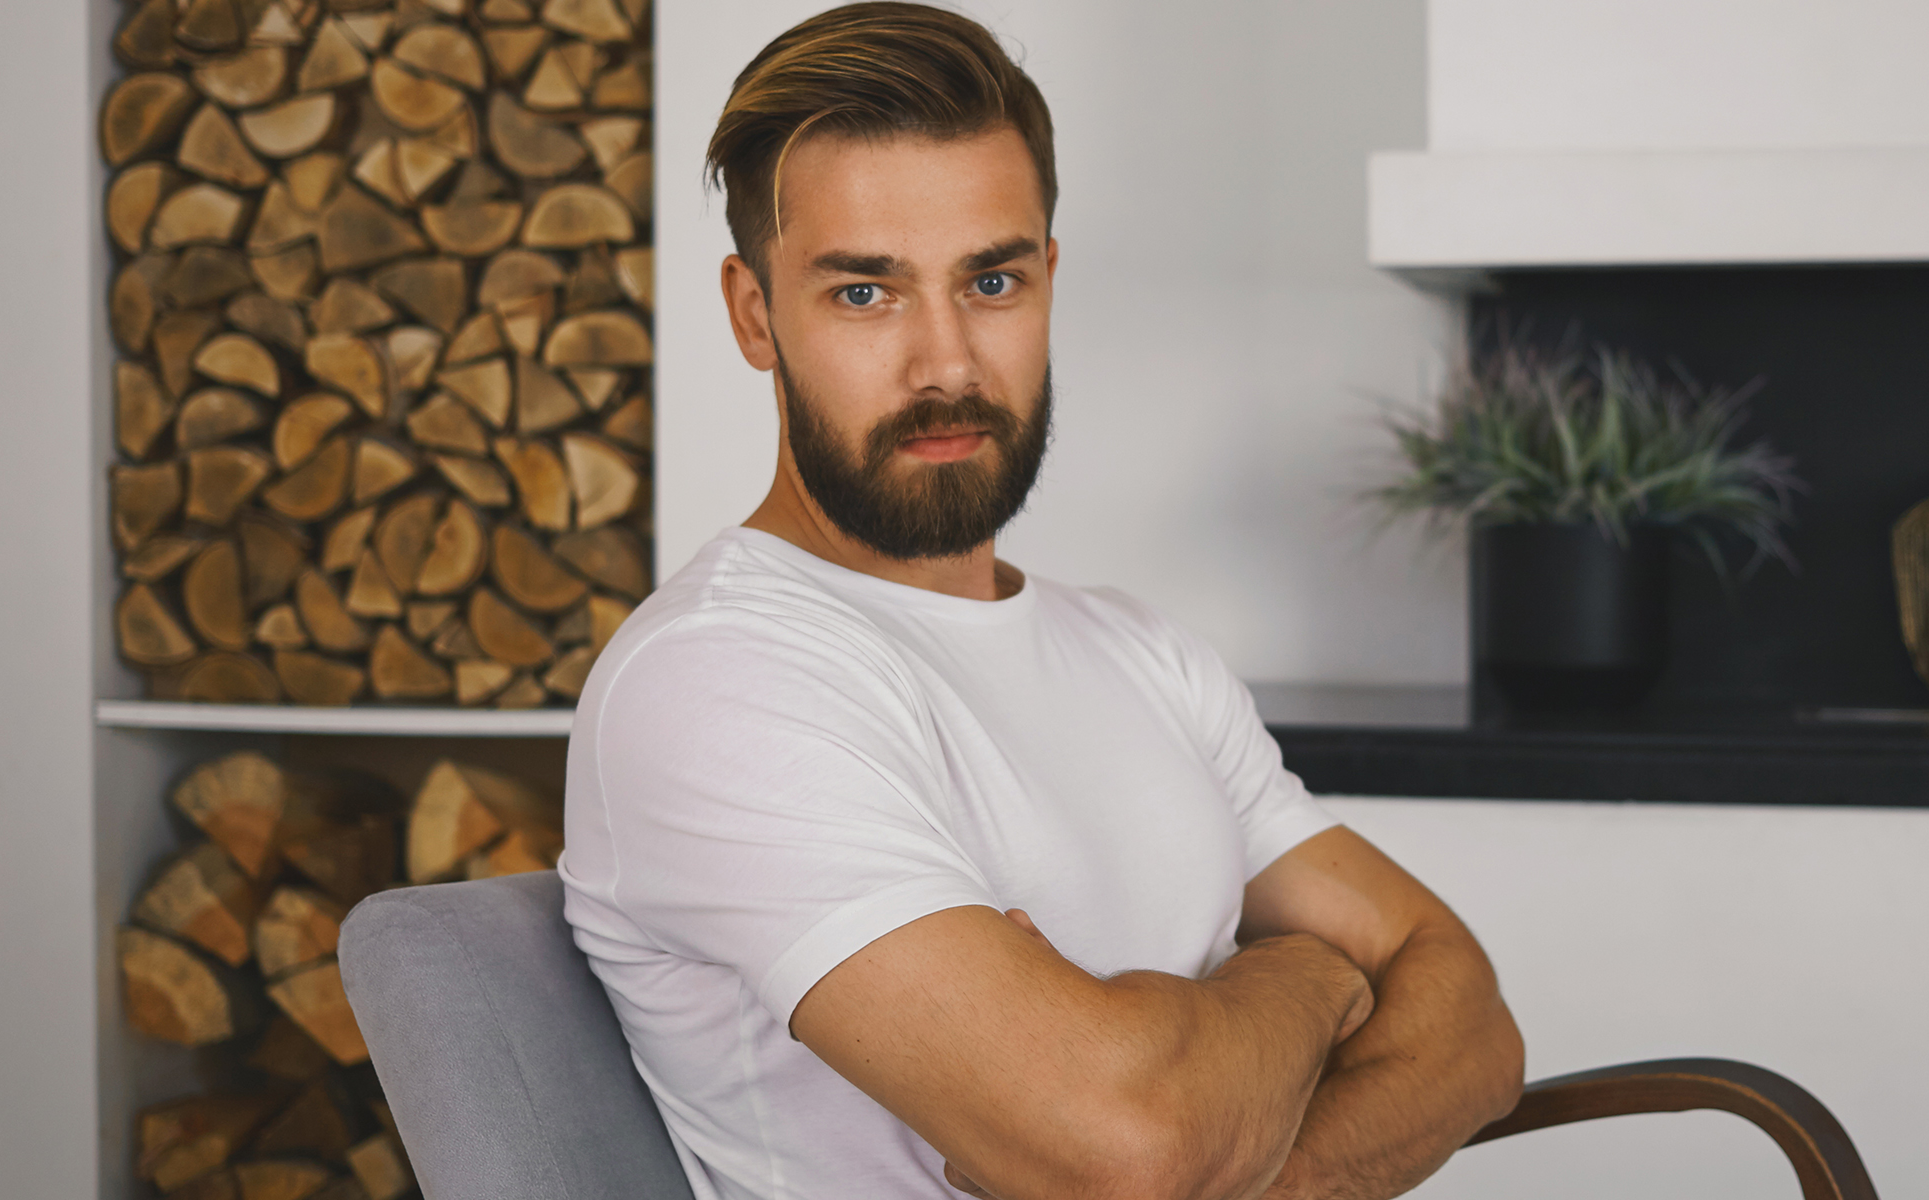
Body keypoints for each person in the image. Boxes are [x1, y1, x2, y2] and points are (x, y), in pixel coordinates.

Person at [559, 5, 1523, 1198]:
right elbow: (1131, 1146)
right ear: (756, 315)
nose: (949, 364)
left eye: (993, 279)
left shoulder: (1137, 651)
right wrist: (1311, 981)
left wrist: (1200, 1104)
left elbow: (1470, 1018)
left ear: (1048, 278)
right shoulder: (721, 683)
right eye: (865, 293)